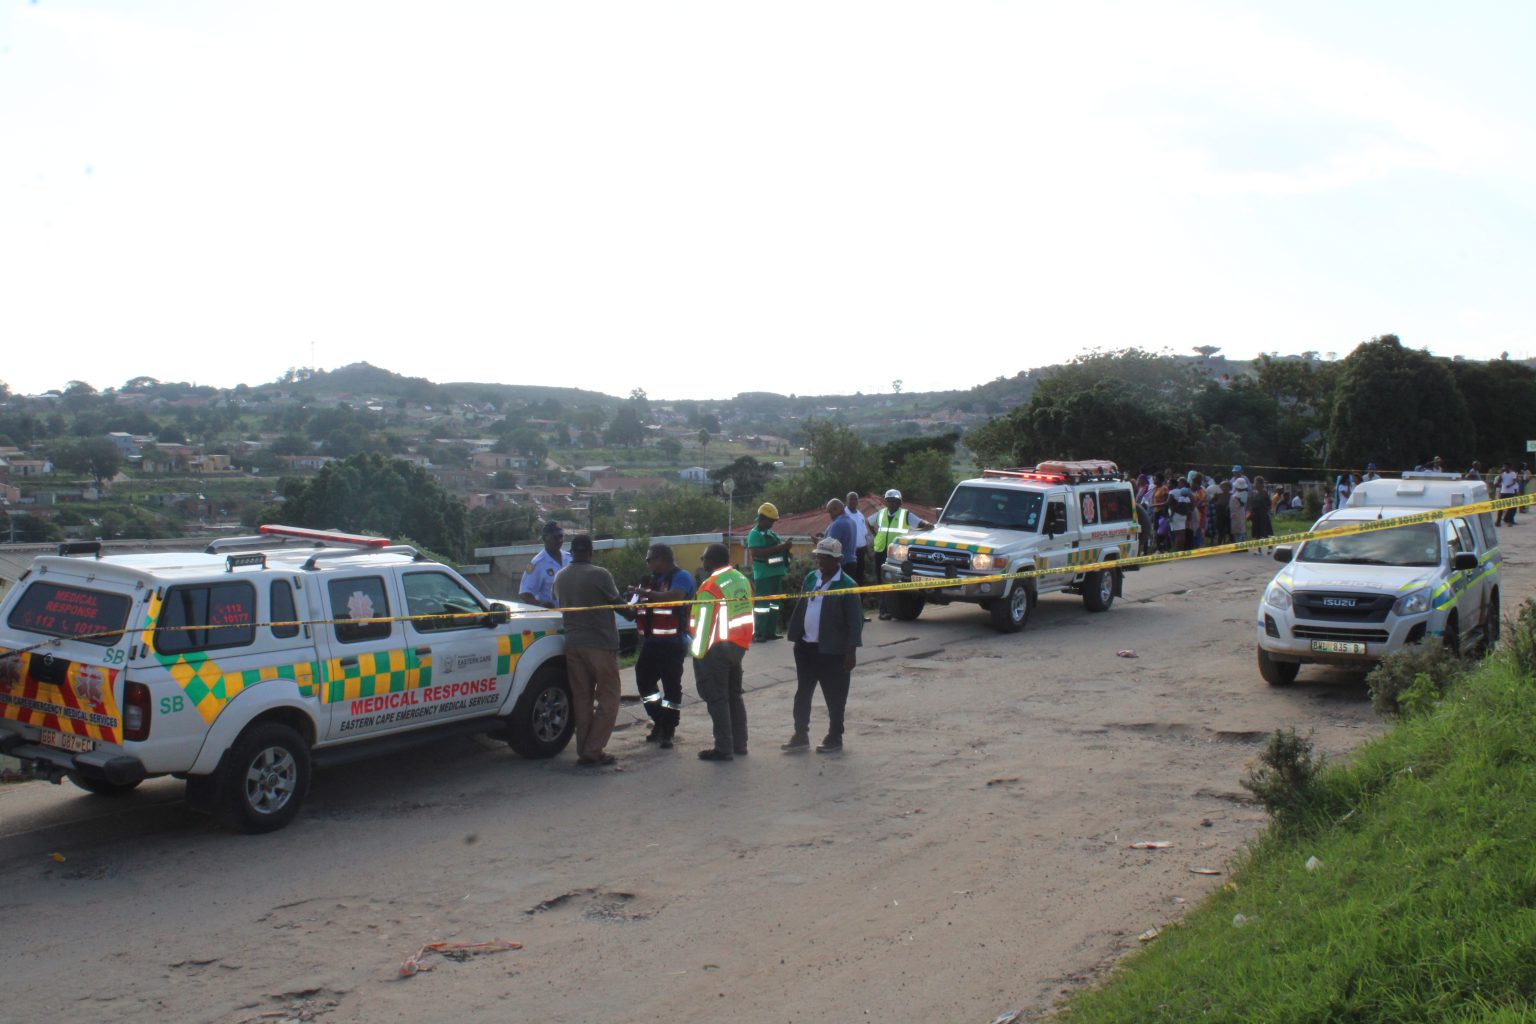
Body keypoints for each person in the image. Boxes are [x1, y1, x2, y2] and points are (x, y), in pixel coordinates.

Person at [552, 535, 634, 767]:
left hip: (573, 644)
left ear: (571, 552)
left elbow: (555, 601)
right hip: (600, 644)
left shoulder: (560, 576)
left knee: (582, 698)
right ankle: (594, 749)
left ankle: (583, 749)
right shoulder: (600, 574)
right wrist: (633, 610)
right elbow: (621, 607)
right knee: (609, 697)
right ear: (590, 552)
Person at [783, 537, 863, 754]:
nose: (821, 562)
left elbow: (855, 622)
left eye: (826, 558)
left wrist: (851, 651)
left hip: (833, 652)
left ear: (837, 560)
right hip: (806, 648)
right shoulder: (811, 579)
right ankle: (800, 735)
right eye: (819, 557)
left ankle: (835, 735)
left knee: (835, 696)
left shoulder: (847, 586)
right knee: (803, 694)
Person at [690, 543, 754, 762]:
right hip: (738, 646)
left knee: (717, 698)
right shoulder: (740, 579)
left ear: (712, 560)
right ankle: (739, 743)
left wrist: (698, 654)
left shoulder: (710, 586)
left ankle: (723, 748)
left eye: (704, 559)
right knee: (734, 695)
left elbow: (703, 625)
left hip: (715, 648)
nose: (703, 563)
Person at [629, 544, 695, 749]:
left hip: (673, 643)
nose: (648, 564)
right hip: (650, 643)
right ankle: (659, 720)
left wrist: (646, 594)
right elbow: (632, 609)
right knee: (644, 682)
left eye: (650, 560)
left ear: (661, 559)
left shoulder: (681, 576)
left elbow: (675, 597)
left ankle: (668, 729)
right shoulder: (647, 581)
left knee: (671, 686)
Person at [870, 488, 929, 619]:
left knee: (893, 582)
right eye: (889, 501)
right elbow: (867, 522)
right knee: (881, 582)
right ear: (885, 502)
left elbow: (923, 524)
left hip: (897, 554)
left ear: (900, 503)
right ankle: (883, 611)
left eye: (894, 501)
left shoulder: (906, 514)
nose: (891, 504)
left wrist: (916, 535)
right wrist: (876, 535)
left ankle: (890, 610)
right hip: (880, 551)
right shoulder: (880, 514)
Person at [744, 503, 792, 640]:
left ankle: (770, 632)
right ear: (762, 518)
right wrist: (781, 547)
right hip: (764, 575)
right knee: (762, 606)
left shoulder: (771, 534)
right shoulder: (754, 534)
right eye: (770, 520)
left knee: (774, 604)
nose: (772, 524)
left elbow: (779, 549)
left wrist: (785, 547)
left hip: (776, 573)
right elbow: (756, 552)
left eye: (773, 521)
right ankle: (759, 633)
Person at [517, 521, 570, 608]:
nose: (559, 540)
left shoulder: (570, 558)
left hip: (572, 615)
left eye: (561, 536)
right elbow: (524, 593)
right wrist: (540, 606)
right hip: (551, 618)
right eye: (555, 537)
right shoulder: (535, 564)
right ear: (545, 538)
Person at [818, 498, 859, 577]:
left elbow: (828, 548)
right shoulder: (852, 522)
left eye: (830, 512)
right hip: (852, 563)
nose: (830, 515)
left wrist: (818, 542)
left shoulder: (837, 524)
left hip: (841, 565)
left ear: (836, 509)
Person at [844, 491, 871, 585]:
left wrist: (868, 553)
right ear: (846, 501)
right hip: (849, 553)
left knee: (860, 577)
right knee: (850, 577)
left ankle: (860, 599)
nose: (854, 501)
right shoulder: (843, 515)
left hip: (861, 552)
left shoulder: (860, 515)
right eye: (851, 499)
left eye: (856, 499)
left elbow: (864, 535)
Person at [1249, 476, 1274, 549]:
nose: (1255, 485)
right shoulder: (1253, 493)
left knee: (1265, 532)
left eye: (1257, 483)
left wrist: (1265, 511)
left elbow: (1269, 504)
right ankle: (1258, 549)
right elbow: (1251, 504)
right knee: (1257, 534)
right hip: (1255, 516)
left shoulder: (1264, 493)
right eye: (1255, 483)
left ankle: (1270, 547)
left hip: (1263, 516)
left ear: (1261, 484)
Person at [1229, 477, 1249, 547]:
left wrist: (1238, 499)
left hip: (1239, 513)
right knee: (1236, 529)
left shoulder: (1244, 493)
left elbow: (1242, 503)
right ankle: (1238, 545)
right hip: (1235, 513)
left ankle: (1240, 546)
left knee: (1240, 529)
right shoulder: (1236, 493)